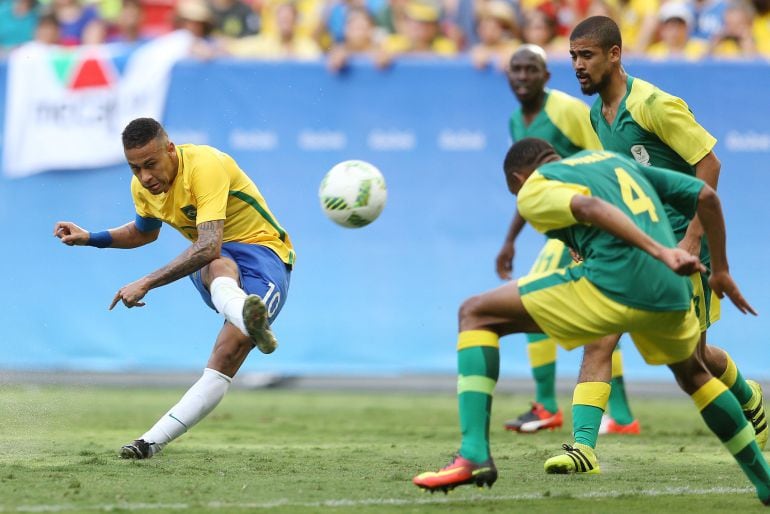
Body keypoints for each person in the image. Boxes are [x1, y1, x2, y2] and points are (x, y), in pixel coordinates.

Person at [412, 139, 770, 506]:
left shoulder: (535, 186)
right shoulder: (614, 163)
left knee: (475, 313)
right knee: (694, 374)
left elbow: (587, 206)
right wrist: (721, 270)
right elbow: (706, 196)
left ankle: (473, 455)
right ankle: (765, 480)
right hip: (669, 289)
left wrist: (658, 249)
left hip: (617, 281)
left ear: (519, 179)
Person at [547, 14, 767, 473]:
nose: (577, 65)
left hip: (685, 250)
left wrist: (690, 237)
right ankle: (583, 447)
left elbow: (709, 165)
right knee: (599, 338)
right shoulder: (597, 113)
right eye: (572, 56)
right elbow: (617, 181)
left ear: (615, 54)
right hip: (636, 248)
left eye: (586, 55)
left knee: (695, 358)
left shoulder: (652, 104)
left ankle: (748, 396)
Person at [54, 117, 295, 459]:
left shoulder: (205, 165)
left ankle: (245, 320)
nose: (145, 177)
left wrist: (147, 282)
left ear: (170, 149)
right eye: (135, 168)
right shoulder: (142, 187)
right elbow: (144, 232)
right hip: (215, 263)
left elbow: (209, 243)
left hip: (262, 252)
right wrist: (90, 238)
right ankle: (147, 443)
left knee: (227, 353)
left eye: (150, 164)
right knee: (217, 266)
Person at [497, 44, 639, 437]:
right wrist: (510, 241)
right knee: (601, 314)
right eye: (516, 69)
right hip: (566, 229)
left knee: (535, 301)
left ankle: (548, 406)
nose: (523, 76)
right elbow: (531, 187)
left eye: (531, 69)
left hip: (589, 223)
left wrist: (606, 222)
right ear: (507, 75)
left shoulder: (566, 110)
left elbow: (606, 159)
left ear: (547, 75)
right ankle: (623, 416)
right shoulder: (516, 121)